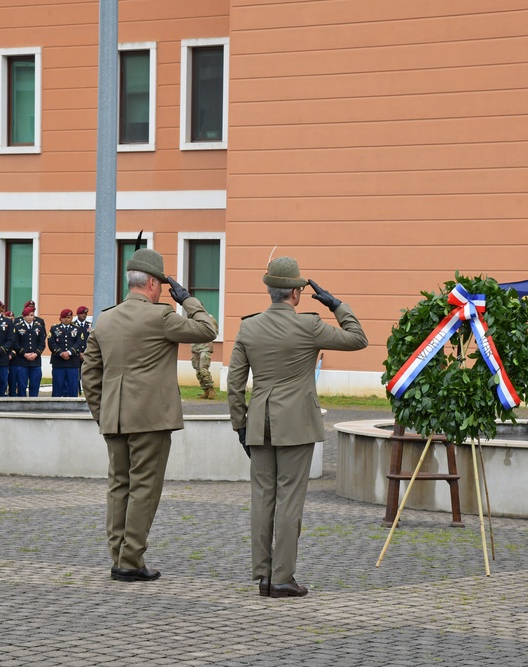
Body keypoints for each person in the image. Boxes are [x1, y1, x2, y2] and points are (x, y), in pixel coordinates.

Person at [227, 257, 368, 598]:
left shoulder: (249, 326)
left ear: (270, 290)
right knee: (290, 501)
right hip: (296, 425)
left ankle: (263, 574)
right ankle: (282, 577)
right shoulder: (309, 326)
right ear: (295, 293)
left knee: (262, 499)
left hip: (259, 424)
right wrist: (336, 304)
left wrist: (240, 424)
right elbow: (358, 339)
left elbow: (234, 382)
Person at [82, 248, 216, 583]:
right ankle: (130, 560)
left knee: (119, 486)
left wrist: (102, 411)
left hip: (114, 418)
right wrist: (187, 299)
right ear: (154, 283)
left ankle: (118, 556)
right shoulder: (162, 316)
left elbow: (90, 372)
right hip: (151, 419)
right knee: (144, 488)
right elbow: (207, 329)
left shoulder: (106, 318)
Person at [47, 309, 82, 397]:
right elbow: (51, 343)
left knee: (72, 386)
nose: (67, 319)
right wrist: (61, 353)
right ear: (60, 319)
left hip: (72, 362)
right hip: (59, 362)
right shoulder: (54, 328)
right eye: (65, 318)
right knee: (58, 385)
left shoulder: (77, 329)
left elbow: (79, 342)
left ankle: (73, 406)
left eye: (69, 317)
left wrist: (69, 352)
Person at [12, 305, 46, 397]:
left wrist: (36, 353)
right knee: (22, 385)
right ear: (24, 316)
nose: (30, 317)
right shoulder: (18, 327)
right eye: (28, 315)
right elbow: (15, 343)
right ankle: (22, 404)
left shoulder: (39, 327)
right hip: (22, 361)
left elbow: (42, 343)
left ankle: (34, 403)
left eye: (32, 315)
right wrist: (24, 354)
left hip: (35, 361)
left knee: (35, 384)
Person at [192, 319, 218, 399]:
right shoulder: (191, 319)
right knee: (198, 370)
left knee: (203, 369)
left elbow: (214, 332)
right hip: (195, 347)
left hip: (205, 347)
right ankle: (205, 391)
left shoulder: (208, 317)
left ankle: (211, 389)